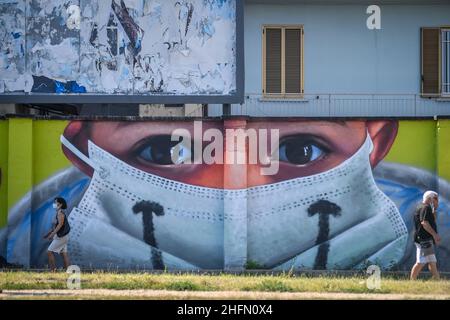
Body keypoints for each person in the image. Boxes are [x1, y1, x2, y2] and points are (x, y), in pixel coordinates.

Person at [410, 190, 441, 280]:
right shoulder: (425, 208)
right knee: (420, 262)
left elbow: (431, 221)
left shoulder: (424, 207)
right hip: (423, 240)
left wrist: (434, 210)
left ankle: (438, 281)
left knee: (432, 262)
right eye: (435, 198)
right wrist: (435, 235)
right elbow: (425, 223)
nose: (437, 201)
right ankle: (412, 281)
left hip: (425, 239)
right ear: (430, 199)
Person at [44, 197, 71, 271]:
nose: (54, 204)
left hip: (61, 237)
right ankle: (68, 272)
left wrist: (52, 235)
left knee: (49, 252)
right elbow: (56, 226)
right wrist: (48, 233)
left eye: (55, 202)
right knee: (64, 254)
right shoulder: (59, 212)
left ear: (60, 204)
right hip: (64, 236)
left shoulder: (60, 213)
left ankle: (53, 270)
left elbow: (60, 225)